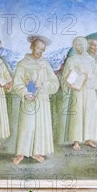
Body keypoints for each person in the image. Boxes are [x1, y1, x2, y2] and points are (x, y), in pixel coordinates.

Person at [11, 36, 59, 165]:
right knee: (27, 126)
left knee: (40, 125)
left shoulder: (45, 64)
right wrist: (24, 92)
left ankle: (37, 152)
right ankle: (21, 153)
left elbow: (54, 82)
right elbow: (17, 83)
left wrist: (43, 84)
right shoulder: (23, 63)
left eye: (42, 49)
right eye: (37, 48)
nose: (39, 51)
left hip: (42, 99)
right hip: (29, 99)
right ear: (32, 47)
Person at [62, 37, 97, 150]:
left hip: (89, 91)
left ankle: (88, 139)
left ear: (85, 45)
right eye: (76, 45)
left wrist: (89, 77)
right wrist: (71, 80)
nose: (79, 47)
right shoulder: (71, 60)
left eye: (81, 44)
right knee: (77, 115)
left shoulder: (91, 60)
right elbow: (66, 76)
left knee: (91, 113)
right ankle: (76, 141)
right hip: (77, 91)